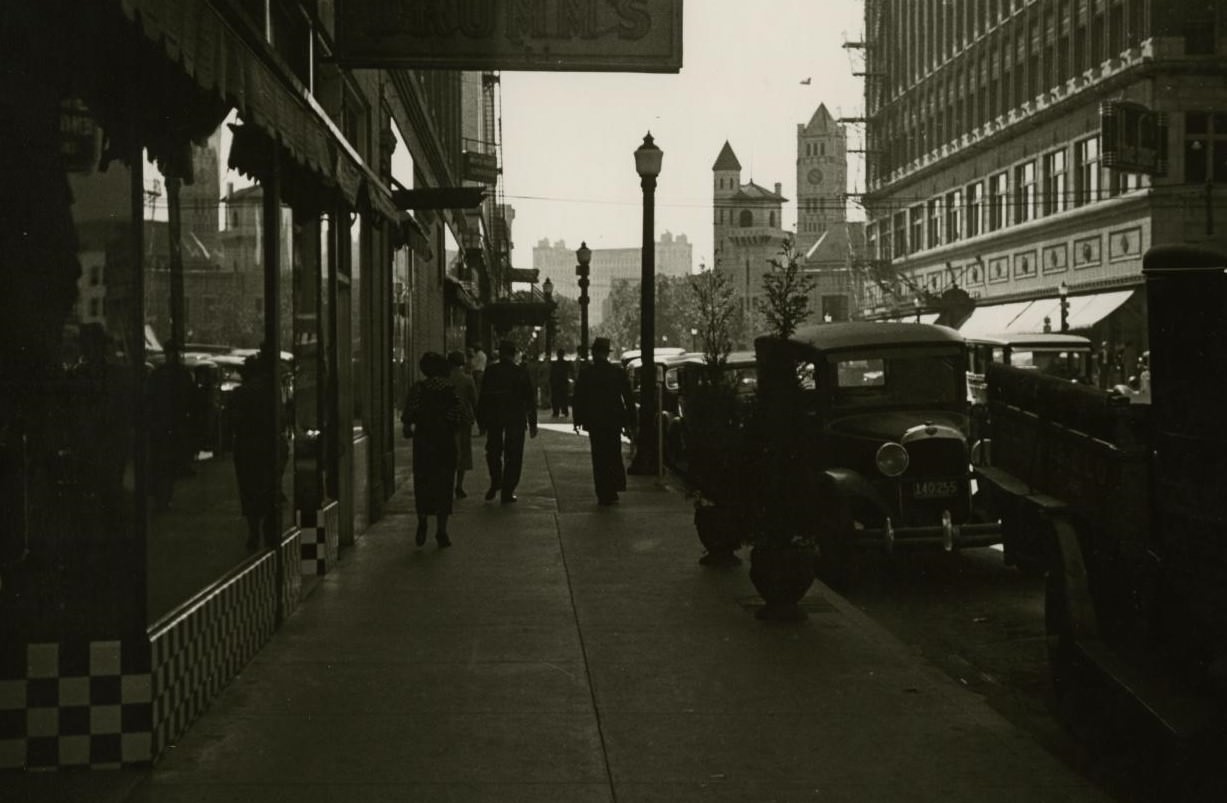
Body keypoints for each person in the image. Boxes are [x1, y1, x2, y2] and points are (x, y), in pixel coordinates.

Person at [402, 351, 463, 547]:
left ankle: (422, 522)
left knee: (423, 483)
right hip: (445, 442)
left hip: (424, 443)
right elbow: (459, 416)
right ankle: (441, 530)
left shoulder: (418, 389)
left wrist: (410, 428)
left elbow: (408, 414)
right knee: (445, 485)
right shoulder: (450, 390)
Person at [230, 349, 289, 549]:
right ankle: (269, 527)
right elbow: (282, 419)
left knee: (248, 490)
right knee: (269, 486)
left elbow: (231, 421)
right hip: (267, 445)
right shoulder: (271, 392)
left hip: (246, 447)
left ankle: (254, 531)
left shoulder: (240, 393)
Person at [571, 336, 635, 505]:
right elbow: (627, 398)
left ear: (593, 352)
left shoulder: (587, 373)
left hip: (595, 420)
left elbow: (579, 398)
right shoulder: (617, 372)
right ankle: (613, 488)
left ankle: (602, 490)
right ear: (607, 353)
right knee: (613, 453)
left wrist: (577, 420)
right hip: (613, 420)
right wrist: (630, 421)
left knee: (598, 456)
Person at [475, 339, 538, 503]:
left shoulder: (491, 371)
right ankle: (508, 490)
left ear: (500, 353)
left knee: (493, 451)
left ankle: (496, 479)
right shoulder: (520, 372)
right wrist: (532, 422)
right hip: (515, 417)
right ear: (514, 354)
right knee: (514, 454)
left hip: (495, 417)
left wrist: (481, 420)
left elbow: (483, 397)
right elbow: (529, 398)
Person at [147, 339, 196, 511]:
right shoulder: (180, 374)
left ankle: (162, 495)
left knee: (163, 463)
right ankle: (164, 495)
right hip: (171, 424)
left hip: (164, 424)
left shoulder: (161, 374)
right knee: (167, 463)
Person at [447, 350, 478, 498]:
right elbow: (474, 400)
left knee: (447, 450)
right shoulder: (468, 380)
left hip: (446, 418)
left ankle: (447, 483)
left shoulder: (444, 379)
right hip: (464, 417)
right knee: (463, 451)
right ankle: (459, 485)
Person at [549, 348, 572, 418]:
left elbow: (551, 373)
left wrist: (551, 381)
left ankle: (556, 411)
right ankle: (564, 411)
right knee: (563, 397)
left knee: (556, 398)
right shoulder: (566, 364)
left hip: (556, 383)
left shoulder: (554, 364)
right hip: (563, 382)